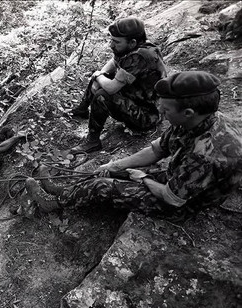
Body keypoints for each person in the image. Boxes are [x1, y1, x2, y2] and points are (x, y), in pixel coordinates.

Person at [26, 71, 242, 222]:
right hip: (180, 178)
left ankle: (53, 203)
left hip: (183, 204)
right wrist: (116, 164)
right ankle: (63, 191)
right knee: (116, 171)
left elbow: (173, 199)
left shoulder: (205, 153)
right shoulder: (195, 121)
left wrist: (143, 178)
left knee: (101, 186)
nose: (161, 112)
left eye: (166, 110)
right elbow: (157, 150)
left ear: (188, 113)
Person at [70, 17, 167, 153]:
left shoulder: (140, 56)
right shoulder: (133, 48)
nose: (111, 45)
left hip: (148, 116)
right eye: (111, 40)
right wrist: (101, 74)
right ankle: (82, 109)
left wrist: (98, 76)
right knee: (101, 77)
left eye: (116, 42)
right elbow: (114, 60)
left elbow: (111, 88)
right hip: (137, 97)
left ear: (132, 42)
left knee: (102, 95)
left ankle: (93, 141)